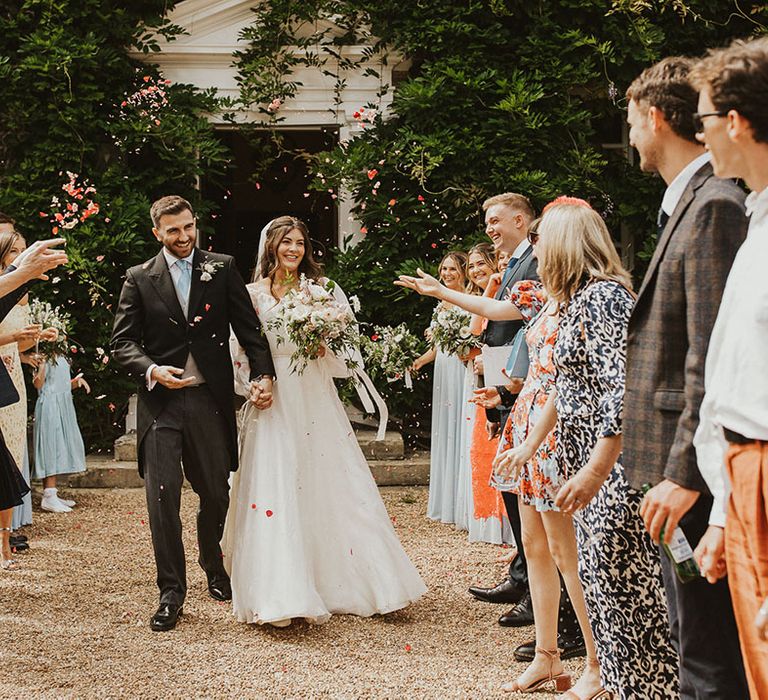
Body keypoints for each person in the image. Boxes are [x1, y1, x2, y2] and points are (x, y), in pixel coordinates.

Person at [495, 205, 679, 698]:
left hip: (614, 476)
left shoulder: (603, 300)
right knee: (605, 599)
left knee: (629, 603)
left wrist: (596, 470)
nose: (537, 250)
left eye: (544, 240)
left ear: (566, 245)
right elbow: (568, 383)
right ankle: (616, 682)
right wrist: (532, 444)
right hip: (582, 467)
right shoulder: (578, 301)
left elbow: (622, 388)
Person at [222, 216, 426, 627]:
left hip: (314, 396)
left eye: (299, 243)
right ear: (271, 247)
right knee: (276, 483)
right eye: (285, 242)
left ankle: (366, 583)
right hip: (274, 399)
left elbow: (348, 358)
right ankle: (282, 592)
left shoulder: (324, 292)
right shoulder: (251, 295)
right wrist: (251, 387)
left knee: (331, 480)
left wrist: (322, 347)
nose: (293, 249)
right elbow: (239, 348)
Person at [623, 57, 749, 698]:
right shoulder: (690, 205)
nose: (631, 138)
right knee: (689, 636)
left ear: (655, 117)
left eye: (632, 121)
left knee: (709, 652)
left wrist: (682, 474)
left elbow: (710, 357)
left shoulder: (715, 207)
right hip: (677, 470)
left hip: (694, 477)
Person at [110, 195, 275, 631]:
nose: (183, 238)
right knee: (163, 499)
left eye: (188, 227)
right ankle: (171, 591)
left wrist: (264, 374)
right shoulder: (139, 278)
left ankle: (214, 566)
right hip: (161, 406)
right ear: (157, 233)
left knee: (217, 493)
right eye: (173, 231)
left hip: (208, 401)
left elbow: (249, 329)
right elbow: (121, 343)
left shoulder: (220, 267)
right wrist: (150, 369)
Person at [691, 36, 768, 699]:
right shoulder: (755, 217)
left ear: (737, 123)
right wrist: (722, 514)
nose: (701, 135)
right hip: (742, 484)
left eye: (705, 120)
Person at [0, 233, 68, 570]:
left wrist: (19, 272)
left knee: (7, 457)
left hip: (9, 380)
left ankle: (5, 535)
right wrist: (21, 271)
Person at [411, 251, 469, 525]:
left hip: (461, 367)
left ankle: (463, 500)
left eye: (452, 269)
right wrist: (419, 361)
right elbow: (437, 347)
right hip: (444, 370)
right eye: (444, 269)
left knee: (461, 425)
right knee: (446, 428)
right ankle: (448, 500)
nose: (447, 274)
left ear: (463, 271)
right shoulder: (441, 303)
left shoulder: (468, 300)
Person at [465, 243, 513, 544]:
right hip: (490, 379)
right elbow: (474, 328)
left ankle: (514, 542)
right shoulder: (493, 291)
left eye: (483, 263)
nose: (476, 271)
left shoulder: (512, 295)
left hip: (505, 380)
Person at [32, 341, 88, 511]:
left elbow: (59, 384)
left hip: (62, 406)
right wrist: (41, 365)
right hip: (50, 406)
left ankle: (52, 493)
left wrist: (76, 383)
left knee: (59, 445)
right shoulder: (42, 357)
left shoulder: (61, 356)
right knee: (51, 446)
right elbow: (38, 384)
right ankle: (48, 496)